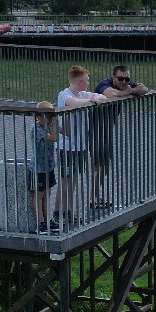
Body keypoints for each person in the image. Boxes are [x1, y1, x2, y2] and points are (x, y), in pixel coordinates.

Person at [55, 65, 108, 226]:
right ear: (79, 81)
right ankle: (60, 213)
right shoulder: (64, 95)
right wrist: (91, 99)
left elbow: (102, 97)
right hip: (67, 147)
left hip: (80, 147)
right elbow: (74, 103)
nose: (88, 83)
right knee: (66, 181)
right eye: (86, 81)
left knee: (74, 181)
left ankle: (67, 212)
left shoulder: (83, 93)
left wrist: (97, 97)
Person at [89, 64, 148, 208]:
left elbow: (144, 89)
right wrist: (126, 92)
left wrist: (130, 89)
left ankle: (95, 196)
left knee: (105, 165)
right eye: (120, 78)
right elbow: (111, 94)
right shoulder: (104, 84)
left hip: (106, 131)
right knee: (99, 165)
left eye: (127, 79)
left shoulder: (126, 85)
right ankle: (91, 200)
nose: (124, 81)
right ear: (113, 77)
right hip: (95, 130)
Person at [29, 101, 59, 233]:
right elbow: (53, 138)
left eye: (50, 117)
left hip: (49, 167)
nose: (48, 119)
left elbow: (64, 133)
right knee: (39, 195)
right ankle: (41, 223)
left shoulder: (47, 126)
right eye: (47, 116)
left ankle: (48, 220)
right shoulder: (36, 129)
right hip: (39, 168)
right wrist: (55, 123)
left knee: (47, 193)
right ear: (38, 116)